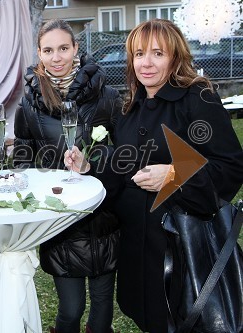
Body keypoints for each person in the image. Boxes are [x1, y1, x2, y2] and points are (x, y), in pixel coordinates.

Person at [65, 18, 243, 332]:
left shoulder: (197, 99)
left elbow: (229, 168)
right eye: (138, 54)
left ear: (175, 58)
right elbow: (124, 170)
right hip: (137, 250)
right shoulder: (130, 106)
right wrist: (90, 167)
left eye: (157, 54)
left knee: (182, 319)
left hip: (184, 250)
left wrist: (175, 175)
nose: (146, 63)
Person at [13, 19, 122, 333]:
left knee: (102, 311)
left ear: (76, 49)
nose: (56, 56)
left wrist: (95, 163)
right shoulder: (29, 103)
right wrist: (33, 179)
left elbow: (124, 151)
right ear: (39, 53)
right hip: (61, 222)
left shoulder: (107, 96)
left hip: (103, 218)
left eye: (63, 47)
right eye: (48, 50)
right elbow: (22, 152)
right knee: (71, 310)